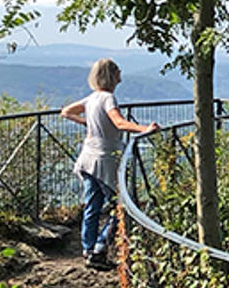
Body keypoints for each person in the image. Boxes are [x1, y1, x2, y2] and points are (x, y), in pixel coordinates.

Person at [61, 59, 159, 269]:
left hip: (87, 157)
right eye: (118, 72)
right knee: (121, 207)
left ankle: (88, 250)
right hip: (104, 159)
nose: (121, 75)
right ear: (112, 75)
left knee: (92, 206)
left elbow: (66, 111)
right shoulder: (108, 98)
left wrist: (89, 123)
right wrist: (145, 129)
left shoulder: (92, 98)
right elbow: (119, 123)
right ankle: (99, 248)